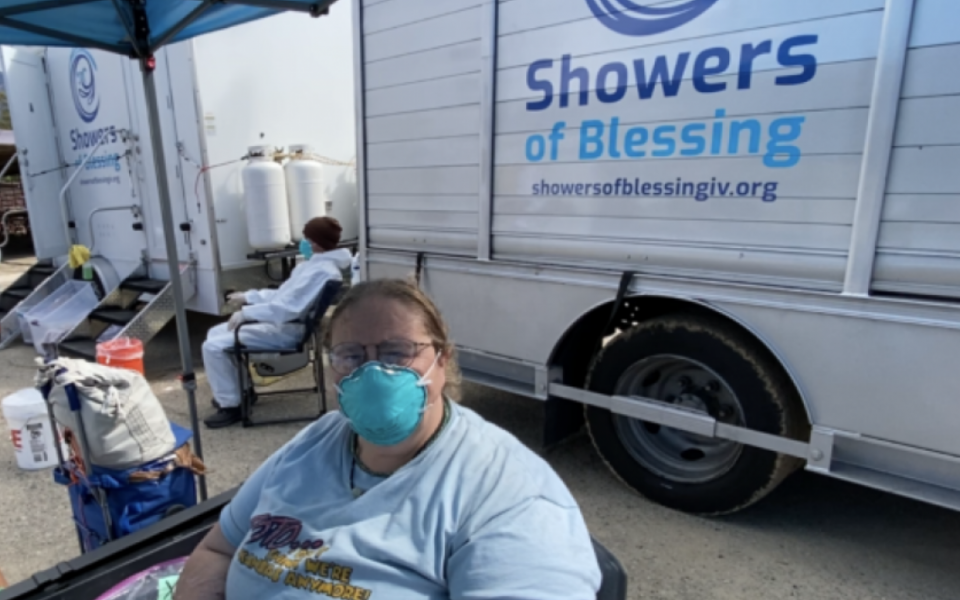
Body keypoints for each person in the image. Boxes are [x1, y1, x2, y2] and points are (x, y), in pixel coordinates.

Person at [176, 279, 602, 599]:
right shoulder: (316, 441)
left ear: (442, 359)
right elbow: (218, 550)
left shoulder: (507, 490)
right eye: (352, 356)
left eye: (397, 351)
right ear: (332, 367)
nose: (374, 373)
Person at [202, 216, 351, 429]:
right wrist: (249, 296)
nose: (303, 243)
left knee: (212, 346)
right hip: (283, 325)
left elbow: (287, 309)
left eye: (307, 238)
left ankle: (231, 406)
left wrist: (247, 313)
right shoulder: (313, 266)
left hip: (287, 331)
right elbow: (283, 296)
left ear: (316, 243)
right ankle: (240, 391)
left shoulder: (322, 271)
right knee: (216, 332)